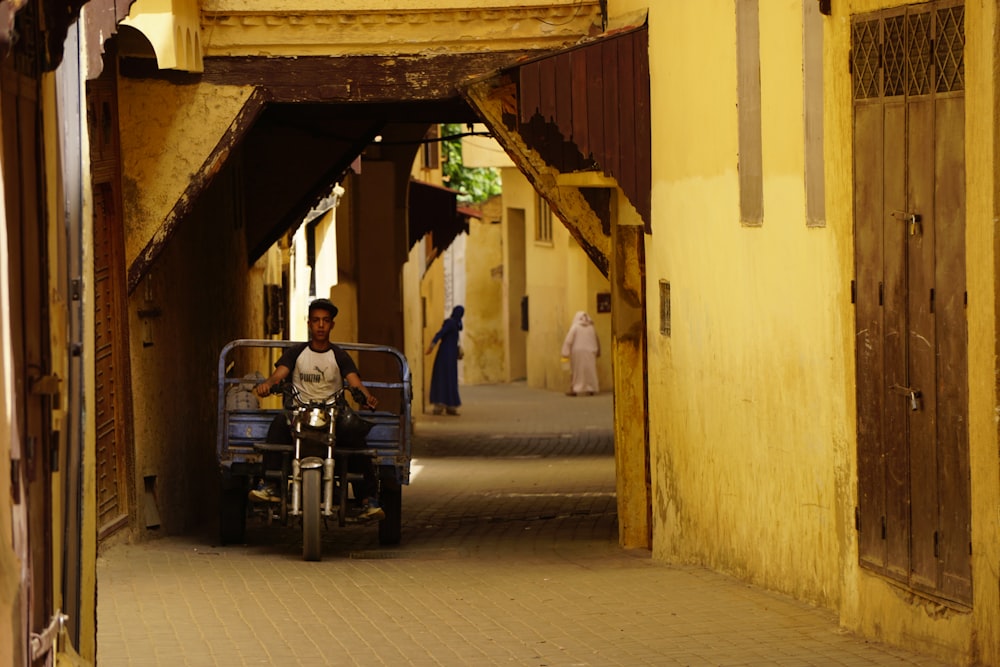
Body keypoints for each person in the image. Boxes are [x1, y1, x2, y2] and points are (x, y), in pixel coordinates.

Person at [252, 298, 384, 520]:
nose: (321, 325)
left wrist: (366, 396)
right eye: (316, 321)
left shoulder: (339, 356)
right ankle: (271, 485)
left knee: (356, 437)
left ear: (332, 324)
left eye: (325, 321)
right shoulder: (296, 352)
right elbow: (279, 374)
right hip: (299, 413)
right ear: (309, 324)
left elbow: (354, 382)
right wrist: (268, 384)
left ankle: (368, 499)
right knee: (277, 425)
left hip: (333, 414)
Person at [424, 305, 464, 415]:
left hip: (446, 355)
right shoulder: (453, 323)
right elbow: (440, 334)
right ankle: (445, 405)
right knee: (447, 378)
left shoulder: (455, 323)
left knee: (444, 378)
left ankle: (446, 405)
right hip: (447, 356)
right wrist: (431, 346)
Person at [561, 311, 600, 396]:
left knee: (577, 372)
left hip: (577, 353)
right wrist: (597, 351)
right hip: (590, 352)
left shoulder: (575, 327)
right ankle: (591, 388)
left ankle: (576, 389)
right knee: (590, 371)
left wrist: (565, 352)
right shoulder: (591, 327)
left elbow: (568, 340)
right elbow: (595, 340)